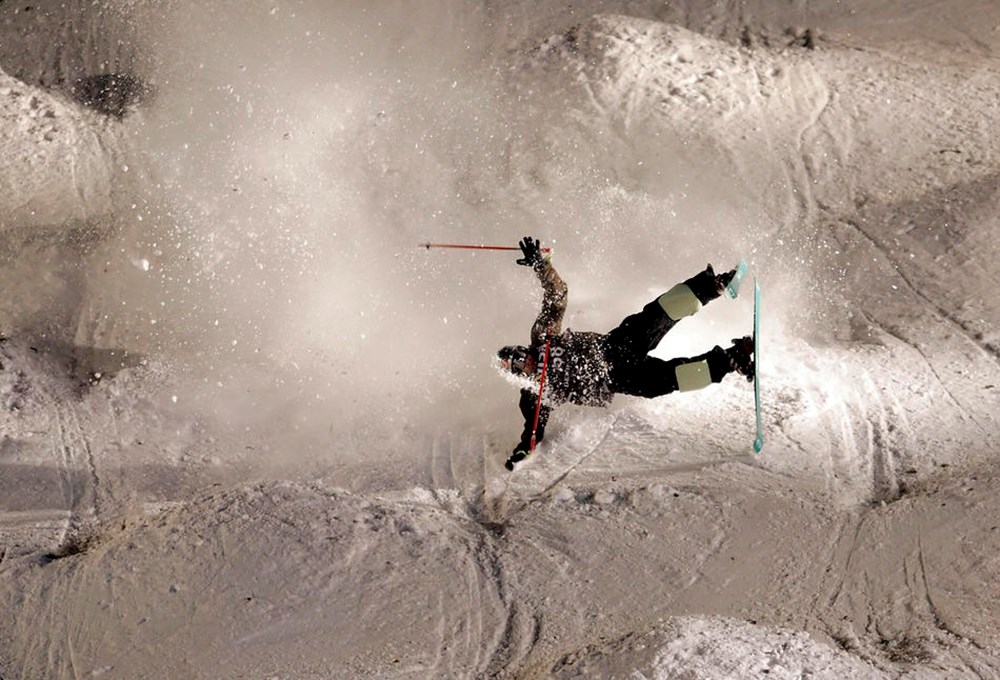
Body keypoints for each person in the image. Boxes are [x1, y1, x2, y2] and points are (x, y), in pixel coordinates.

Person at [497, 236, 754, 471]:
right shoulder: (533, 396)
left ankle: (715, 285)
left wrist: (541, 265)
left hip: (612, 348)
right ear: (517, 375)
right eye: (519, 364)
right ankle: (731, 360)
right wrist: (521, 453)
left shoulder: (542, 337)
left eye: (520, 353)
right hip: (615, 380)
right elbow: (532, 434)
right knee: (668, 381)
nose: (526, 360)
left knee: (657, 317)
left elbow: (557, 295)